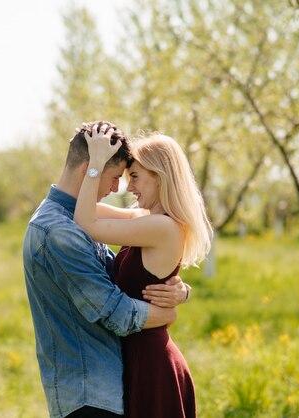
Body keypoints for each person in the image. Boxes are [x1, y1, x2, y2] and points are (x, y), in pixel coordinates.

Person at [23, 121, 192, 418]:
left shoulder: (151, 224)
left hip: (131, 371)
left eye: (132, 178)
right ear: (91, 167)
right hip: (91, 390)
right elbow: (115, 312)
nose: (121, 188)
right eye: (117, 177)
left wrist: (180, 290)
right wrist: (168, 313)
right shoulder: (59, 230)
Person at [74, 124, 213, 418]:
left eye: (135, 177)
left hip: (151, 363)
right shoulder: (148, 219)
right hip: (140, 356)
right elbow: (82, 208)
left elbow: (87, 224)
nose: (129, 188)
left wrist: (96, 165)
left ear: (160, 177)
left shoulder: (161, 227)